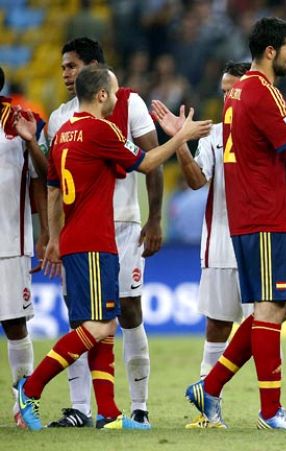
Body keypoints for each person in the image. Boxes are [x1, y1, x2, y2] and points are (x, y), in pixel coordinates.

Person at [16, 65, 211, 431]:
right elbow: (147, 161)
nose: (120, 97)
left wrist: (55, 237)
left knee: (104, 325)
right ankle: (30, 388)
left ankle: (108, 411)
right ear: (102, 94)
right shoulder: (102, 129)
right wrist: (181, 136)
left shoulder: (64, 132)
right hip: (93, 242)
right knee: (97, 326)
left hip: (79, 239)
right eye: (116, 91)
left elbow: (54, 189)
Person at [184, 16, 286, 430]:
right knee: (271, 309)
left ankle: (211, 385)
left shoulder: (237, 92)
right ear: (271, 51)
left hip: (249, 214)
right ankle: (271, 411)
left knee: (274, 308)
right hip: (264, 215)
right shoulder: (264, 92)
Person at [151, 61, 286, 428]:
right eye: (223, 90)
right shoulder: (214, 135)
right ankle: (212, 410)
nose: (227, 96)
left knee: (273, 313)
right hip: (222, 246)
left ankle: (211, 389)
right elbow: (194, 181)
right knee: (220, 326)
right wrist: (180, 144)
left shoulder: (273, 127)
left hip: (262, 234)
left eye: (232, 88)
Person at [40, 37, 162, 428]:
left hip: (123, 225)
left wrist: (155, 218)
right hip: (83, 231)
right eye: (62, 68)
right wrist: (53, 236)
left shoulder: (130, 103)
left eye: (72, 66)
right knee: (84, 321)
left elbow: (152, 162)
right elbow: (54, 186)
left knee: (127, 312)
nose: (65, 74)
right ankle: (82, 407)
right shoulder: (61, 118)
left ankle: (137, 406)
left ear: (93, 70)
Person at [0, 66, 47, 428]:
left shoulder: (18, 123)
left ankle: (23, 403)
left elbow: (41, 179)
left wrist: (45, 231)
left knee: (15, 323)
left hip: (9, 242)